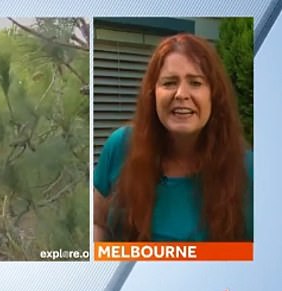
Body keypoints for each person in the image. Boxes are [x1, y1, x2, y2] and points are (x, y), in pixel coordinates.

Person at [93, 33, 253, 242]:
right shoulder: (121, 146)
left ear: (214, 95)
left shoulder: (250, 169)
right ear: (153, 94)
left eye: (195, 83)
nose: (181, 94)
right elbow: (96, 223)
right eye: (169, 83)